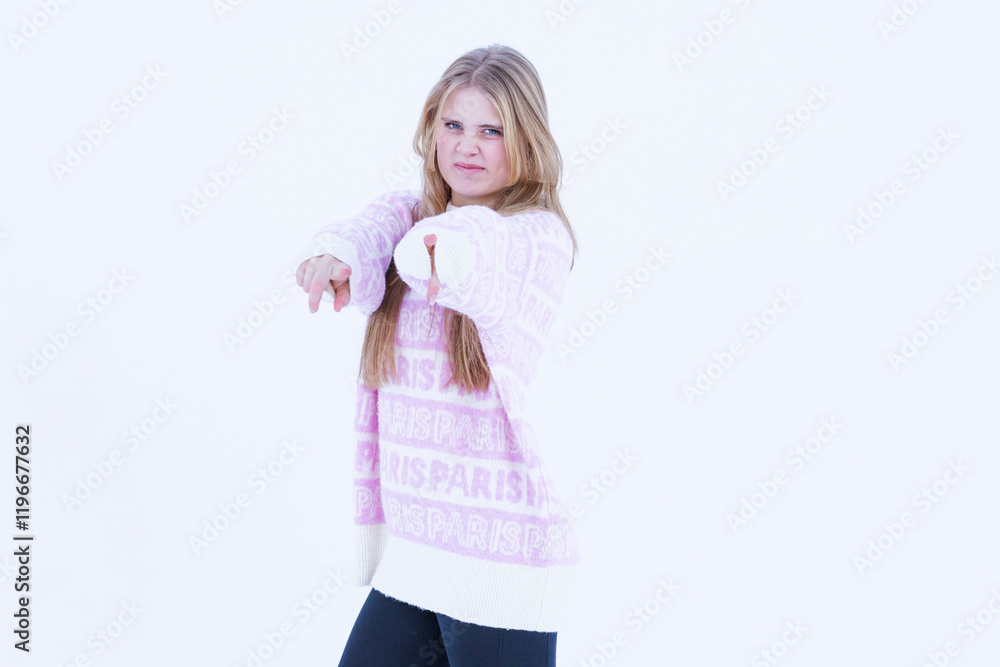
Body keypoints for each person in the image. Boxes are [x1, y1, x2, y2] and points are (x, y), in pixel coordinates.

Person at [295, 43, 580, 666]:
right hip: (417, 554)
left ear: (525, 139)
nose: (467, 146)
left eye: (491, 131)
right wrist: (339, 254)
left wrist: (433, 248)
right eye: (453, 125)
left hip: (499, 564)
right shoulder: (411, 217)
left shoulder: (537, 238)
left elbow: (477, 251)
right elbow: (372, 231)